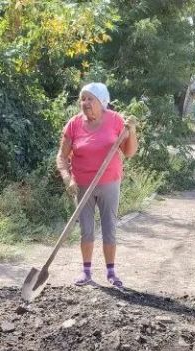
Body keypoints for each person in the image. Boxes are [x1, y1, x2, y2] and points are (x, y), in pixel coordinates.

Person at [56, 82, 138, 288]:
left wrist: (132, 131)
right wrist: (68, 178)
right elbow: (61, 157)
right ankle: (86, 272)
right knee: (86, 229)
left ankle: (111, 272)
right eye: (82, 99)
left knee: (109, 227)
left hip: (109, 182)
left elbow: (129, 152)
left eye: (89, 99)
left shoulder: (115, 120)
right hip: (82, 184)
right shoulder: (74, 124)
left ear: (102, 102)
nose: (85, 103)